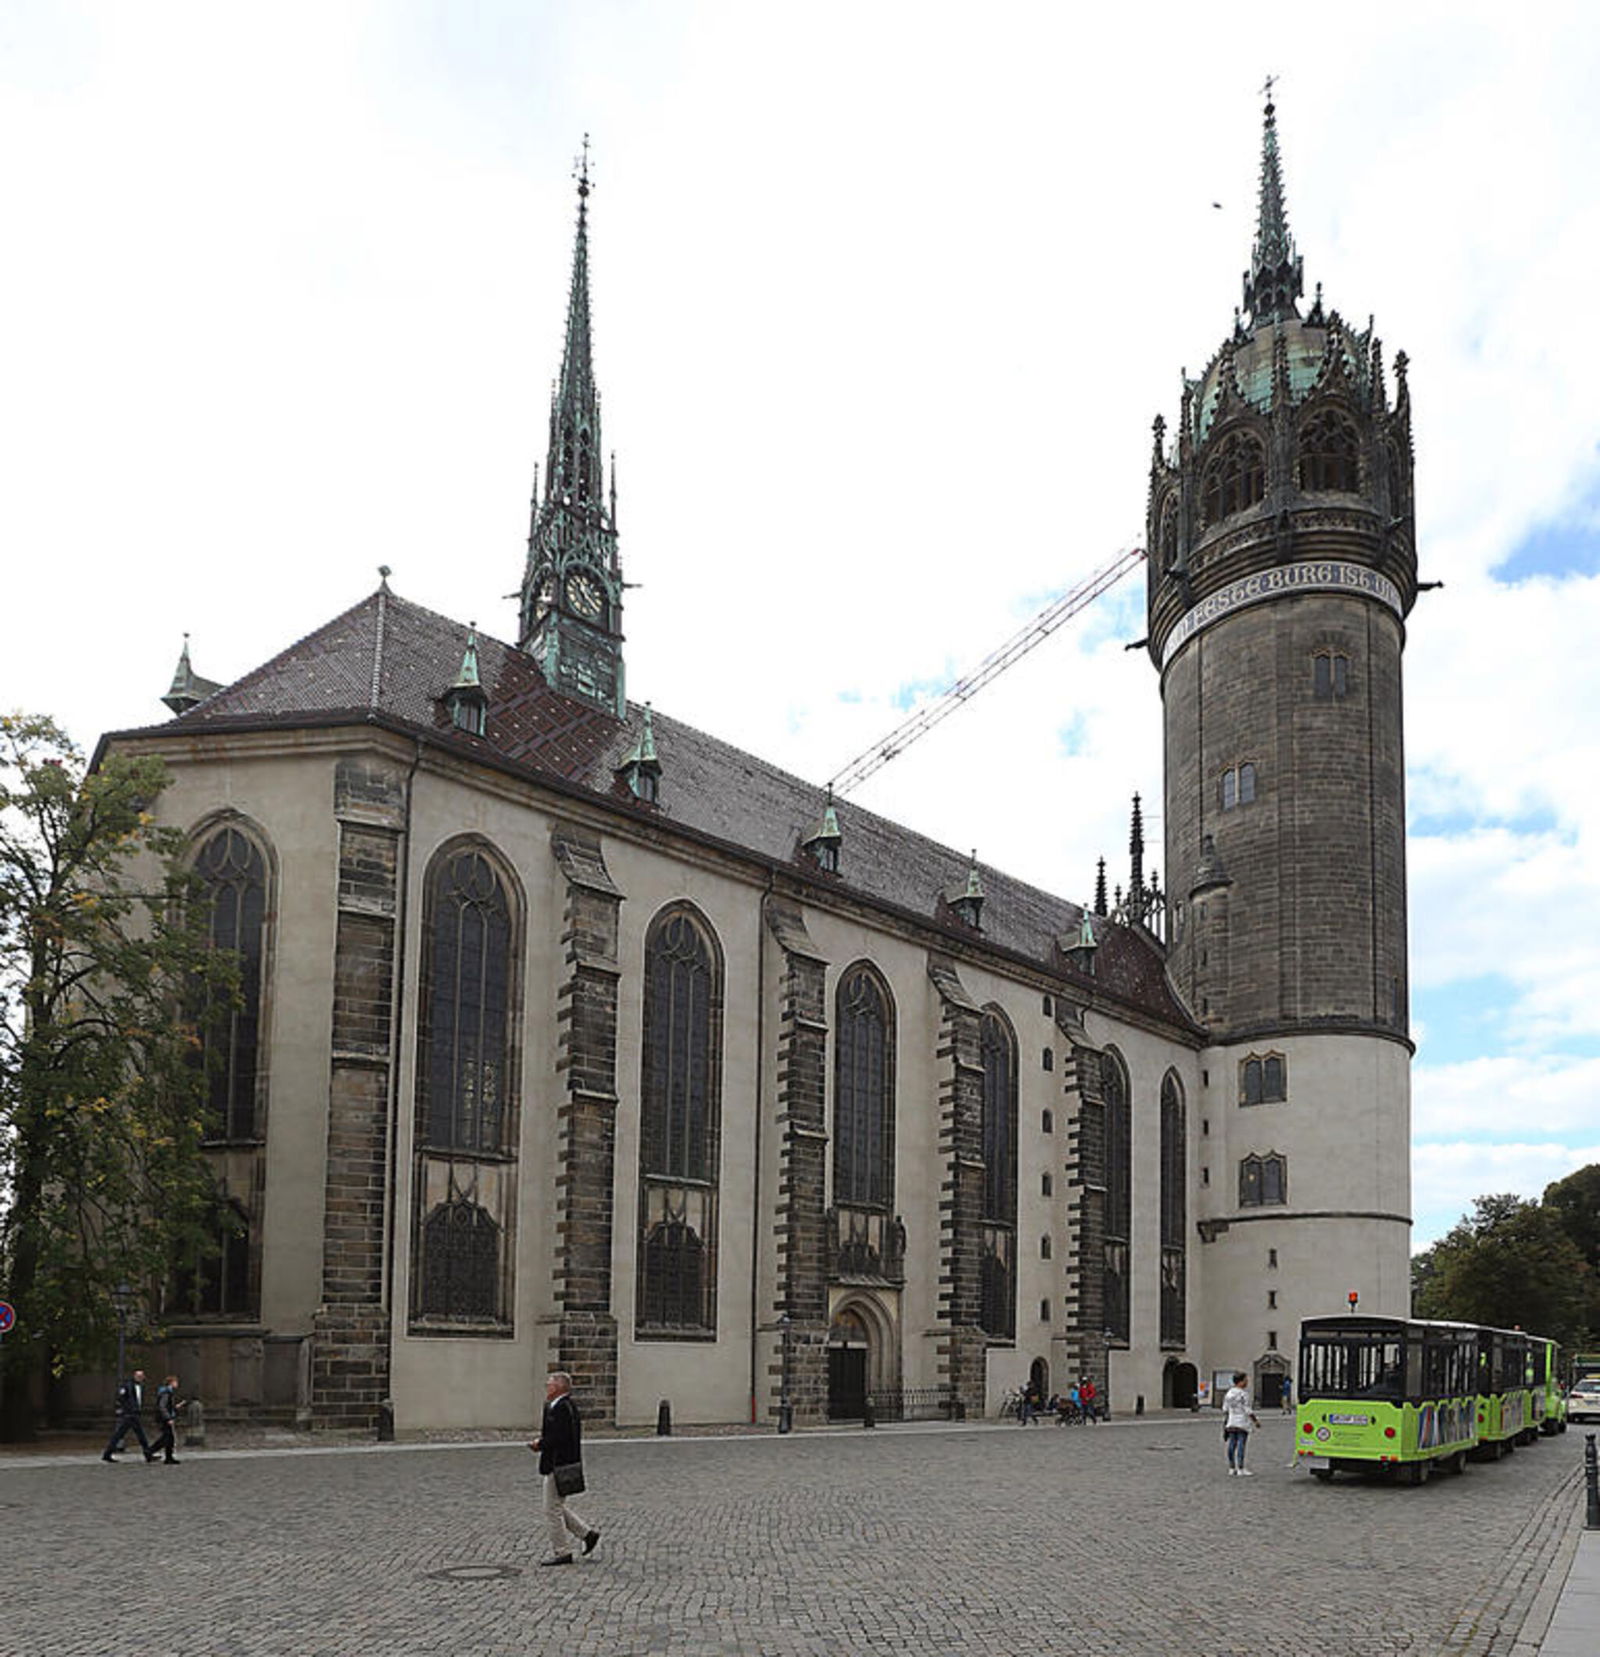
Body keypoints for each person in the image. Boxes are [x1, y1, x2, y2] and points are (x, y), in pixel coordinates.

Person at [529, 1371, 600, 1566]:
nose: (547, 1387)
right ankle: (588, 1534)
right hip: (556, 1463)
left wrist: (539, 1444)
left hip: (558, 1464)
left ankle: (562, 1551)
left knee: (551, 1510)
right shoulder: (558, 1406)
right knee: (555, 1505)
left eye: (550, 1384)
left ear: (559, 1387)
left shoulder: (562, 1407)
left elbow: (559, 1438)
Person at [102, 1368, 156, 1463]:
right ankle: (148, 1455)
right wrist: (126, 1409)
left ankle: (148, 1454)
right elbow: (120, 1398)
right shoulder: (127, 1385)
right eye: (138, 1376)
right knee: (123, 1435)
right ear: (134, 1376)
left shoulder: (141, 1387)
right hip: (129, 1414)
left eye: (141, 1376)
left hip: (135, 1413)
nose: (140, 1378)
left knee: (134, 1435)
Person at [1222, 1370, 1261, 1476]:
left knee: (1231, 1445)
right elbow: (1248, 1410)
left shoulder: (1229, 1393)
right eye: (1245, 1380)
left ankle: (1231, 1467)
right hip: (1242, 1422)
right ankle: (1240, 1468)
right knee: (1241, 1445)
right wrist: (1255, 1421)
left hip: (1231, 1421)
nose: (1247, 1382)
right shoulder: (1243, 1394)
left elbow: (1225, 1409)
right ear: (1241, 1381)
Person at [149, 1374, 184, 1464]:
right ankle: (151, 1451)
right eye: (175, 1382)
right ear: (171, 1383)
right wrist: (168, 1418)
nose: (177, 1384)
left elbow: (167, 1406)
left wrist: (176, 1407)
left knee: (168, 1438)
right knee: (167, 1438)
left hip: (165, 1417)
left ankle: (167, 1456)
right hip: (164, 1419)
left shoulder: (168, 1392)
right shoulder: (166, 1393)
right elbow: (162, 1406)